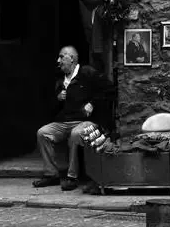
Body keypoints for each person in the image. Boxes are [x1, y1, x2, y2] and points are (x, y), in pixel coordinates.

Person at [33, 46, 114, 192]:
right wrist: (57, 98)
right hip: (63, 122)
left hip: (86, 122)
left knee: (76, 134)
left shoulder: (87, 73)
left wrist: (92, 103)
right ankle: (51, 174)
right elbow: (48, 107)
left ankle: (72, 177)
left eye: (61, 57)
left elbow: (109, 90)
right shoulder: (59, 79)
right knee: (43, 133)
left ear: (71, 58)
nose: (58, 61)